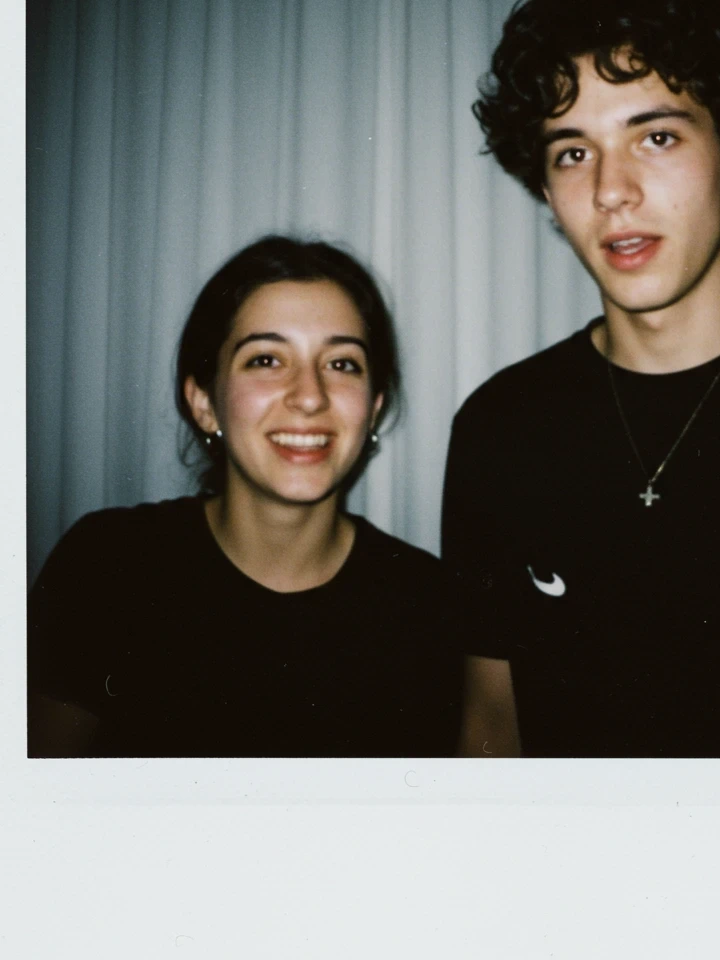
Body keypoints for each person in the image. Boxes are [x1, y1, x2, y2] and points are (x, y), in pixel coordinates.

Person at [441, 0, 720, 759]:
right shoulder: (502, 426)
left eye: (658, 137)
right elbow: (491, 728)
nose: (611, 190)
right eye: (573, 153)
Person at [29, 236, 462, 757]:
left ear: (372, 408)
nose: (310, 397)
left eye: (342, 364)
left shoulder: (428, 607)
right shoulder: (107, 565)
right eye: (266, 359)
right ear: (204, 402)